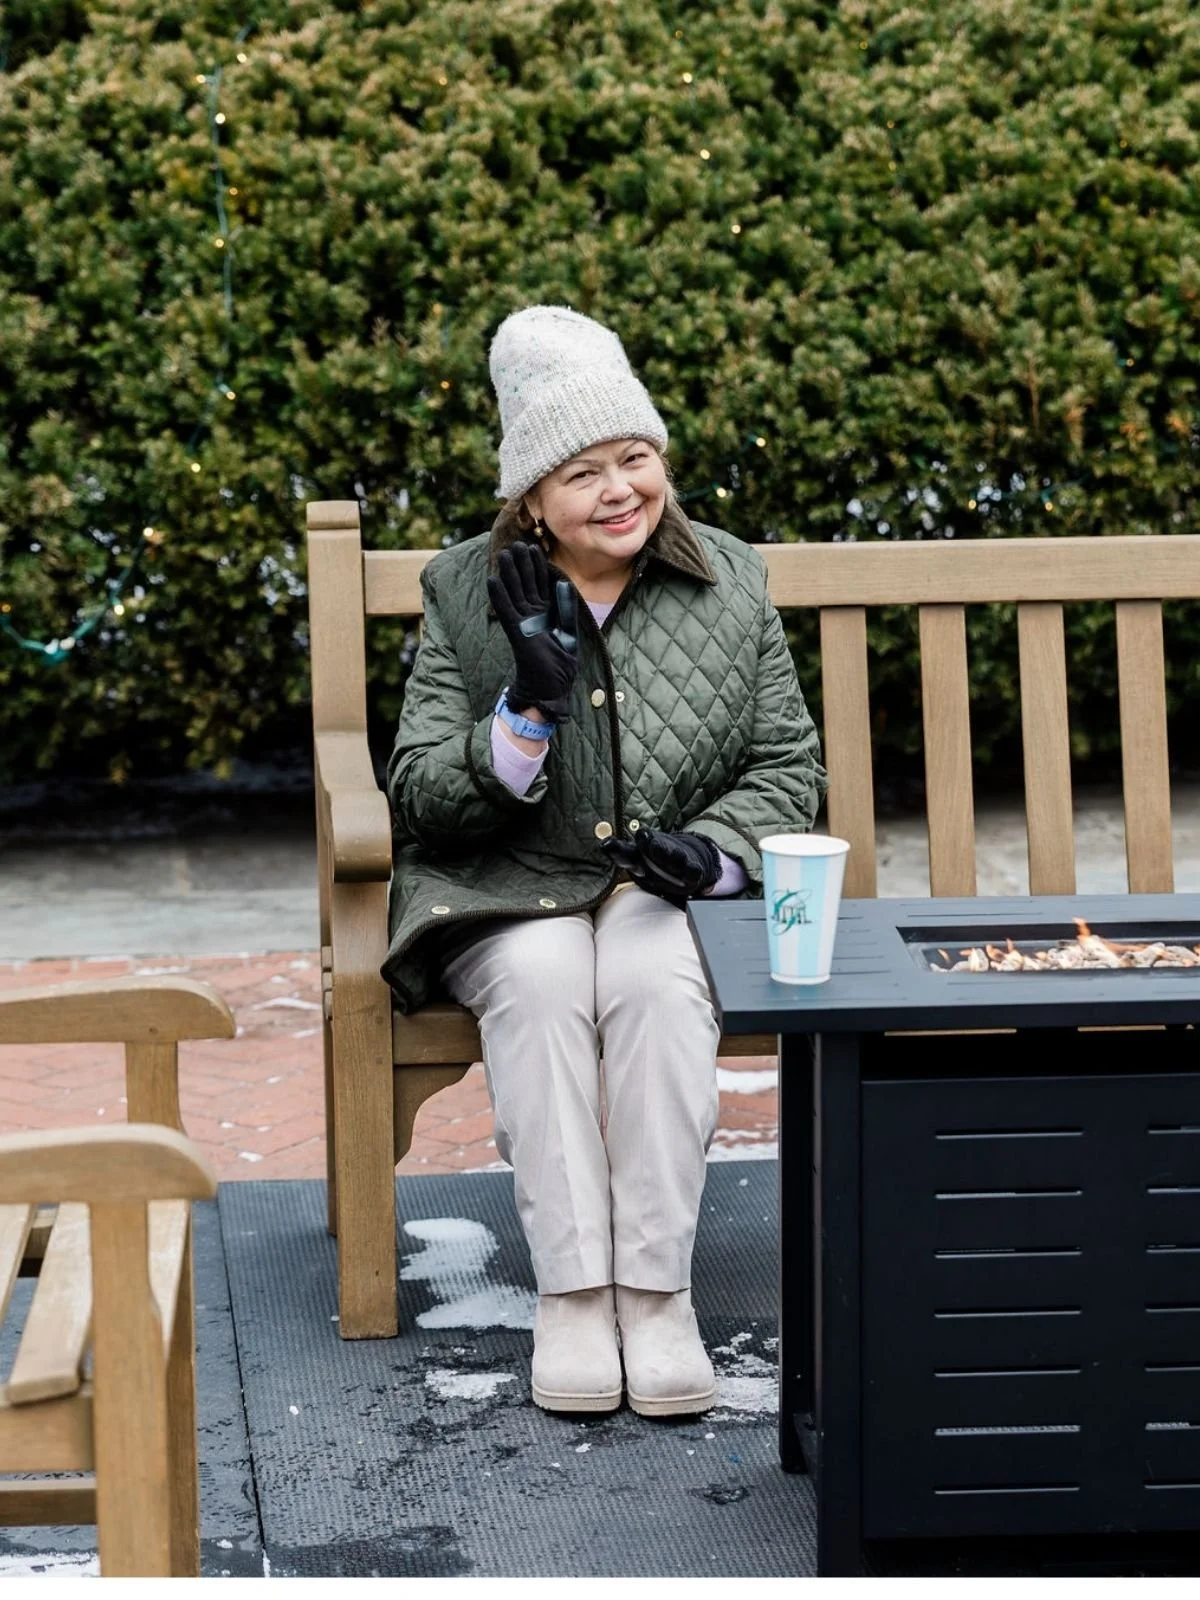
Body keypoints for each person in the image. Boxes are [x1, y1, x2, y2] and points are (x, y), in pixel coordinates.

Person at [382, 305, 828, 1417]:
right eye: (583, 472)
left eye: (635, 457)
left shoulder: (729, 577)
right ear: (532, 498)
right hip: (506, 883)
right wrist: (523, 712)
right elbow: (420, 791)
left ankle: (657, 1293)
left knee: (655, 978)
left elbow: (786, 765)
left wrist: (714, 856)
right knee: (541, 980)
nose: (621, 490)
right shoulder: (463, 588)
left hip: (660, 889)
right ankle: (576, 1294)